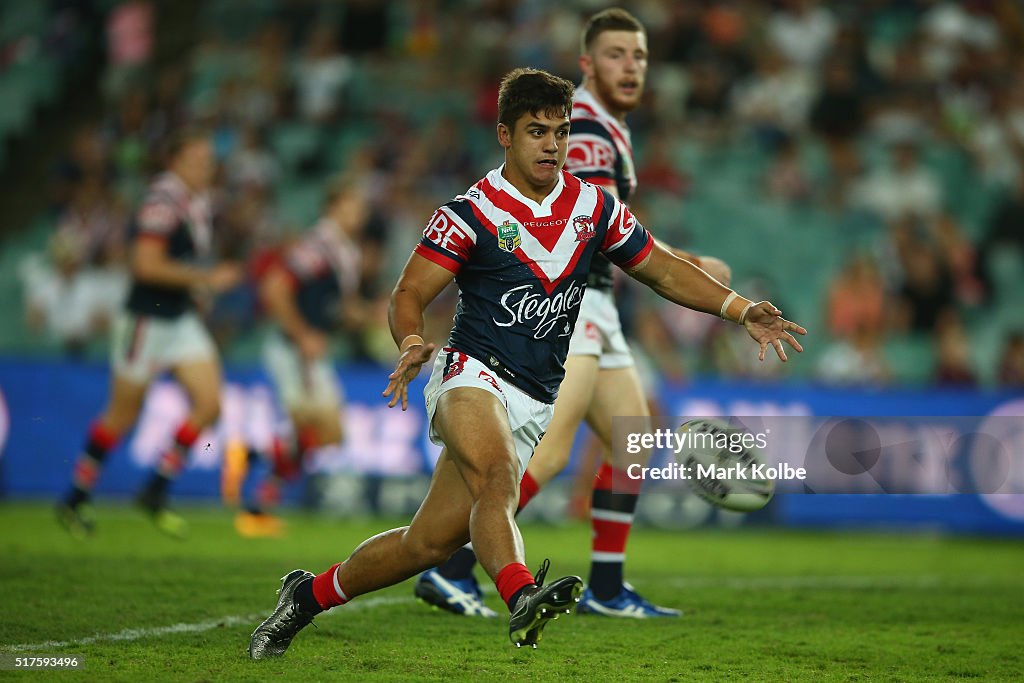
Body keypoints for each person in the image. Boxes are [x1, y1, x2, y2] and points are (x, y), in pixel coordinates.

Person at [247, 67, 804, 658]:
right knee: (500, 477)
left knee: (425, 545)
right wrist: (410, 339)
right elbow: (407, 293)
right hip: (470, 373)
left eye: (561, 132)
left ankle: (305, 597)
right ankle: (521, 596)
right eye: (537, 131)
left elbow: (661, 268)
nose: (552, 145)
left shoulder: (596, 208)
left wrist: (740, 309)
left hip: (535, 394)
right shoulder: (470, 213)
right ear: (504, 135)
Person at [416, 7, 732, 619]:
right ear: (587, 63)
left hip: (602, 303)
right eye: (615, 54)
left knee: (631, 439)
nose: (630, 66)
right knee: (551, 452)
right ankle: (453, 569)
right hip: (570, 298)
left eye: (638, 55)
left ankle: (607, 588)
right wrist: (691, 261)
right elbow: (603, 227)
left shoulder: (604, 125)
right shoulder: (582, 127)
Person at [55, 129, 243, 539]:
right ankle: (75, 494)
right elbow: (145, 265)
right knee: (123, 414)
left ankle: (155, 487)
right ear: (173, 162)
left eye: (208, 160)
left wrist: (196, 287)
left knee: (209, 403)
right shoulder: (162, 202)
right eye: (195, 160)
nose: (205, 168)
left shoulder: (195, 201)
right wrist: (206, 279)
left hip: (177, 317)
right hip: (147, 319)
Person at [225, 178, 369, 538]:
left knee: (329, 434)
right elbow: (274, 287)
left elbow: (341, 310)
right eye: (352, 207)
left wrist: (378, 313)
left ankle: (252, 458)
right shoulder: (317, 246)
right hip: (292, 349)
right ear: (333, 209)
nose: (359, 215)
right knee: (306, 427)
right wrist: (301, 332)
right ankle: (259, 505)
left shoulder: (345, 252)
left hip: (314, 351)